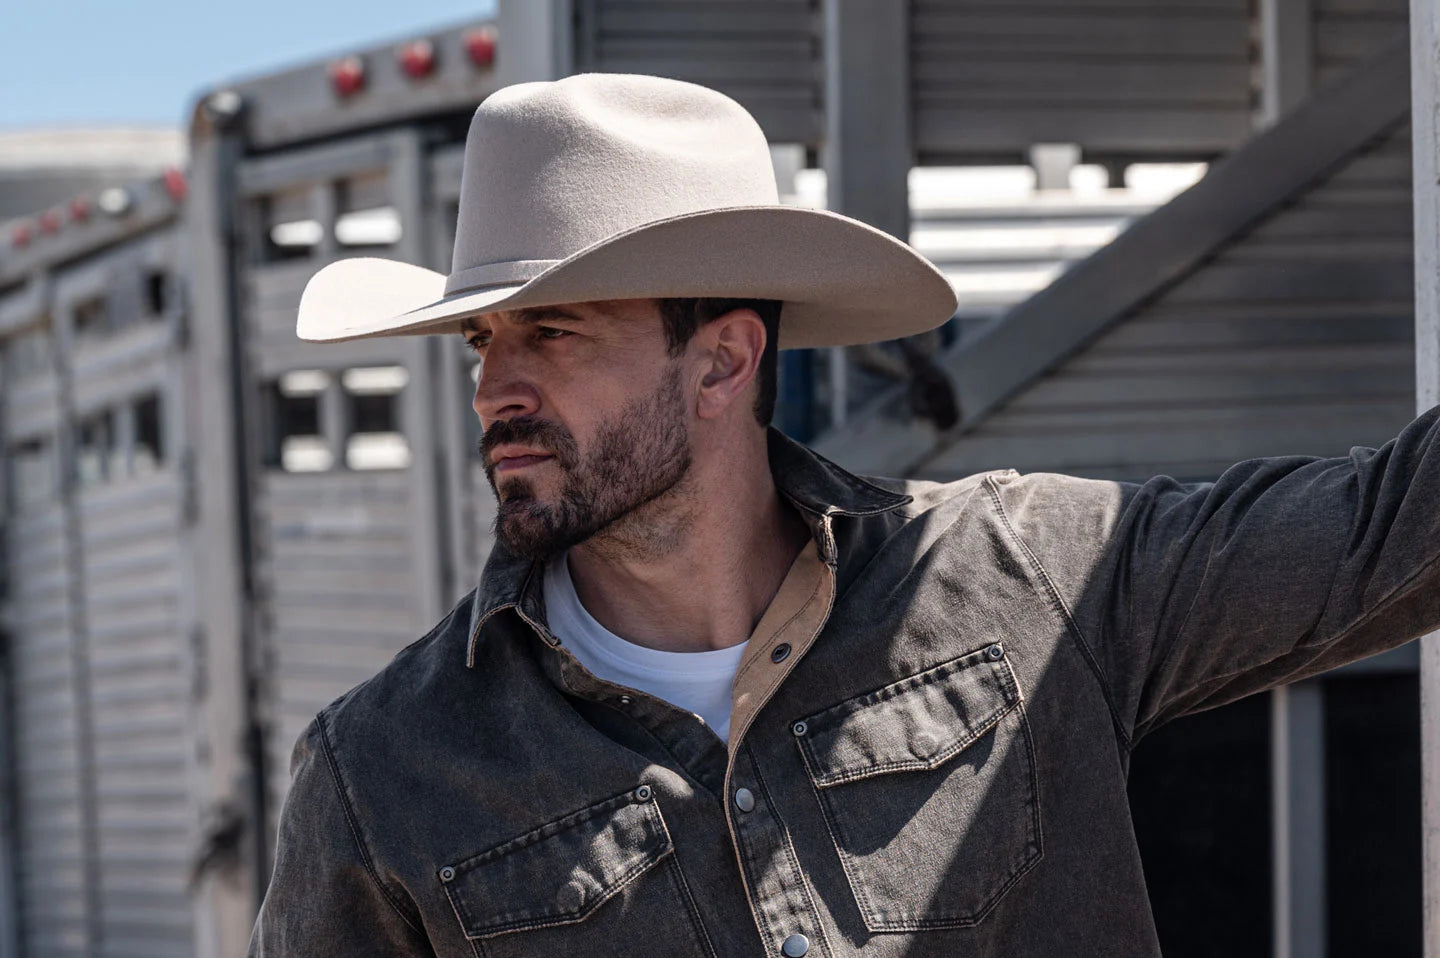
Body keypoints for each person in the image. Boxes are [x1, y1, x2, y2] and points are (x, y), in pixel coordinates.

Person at [250, 73, 1440, 957]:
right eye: (480, 338)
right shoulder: (385, 772)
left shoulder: (1019, 574)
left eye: (551, 331)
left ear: (721, 364)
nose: (494, 386)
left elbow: (1397, 531)